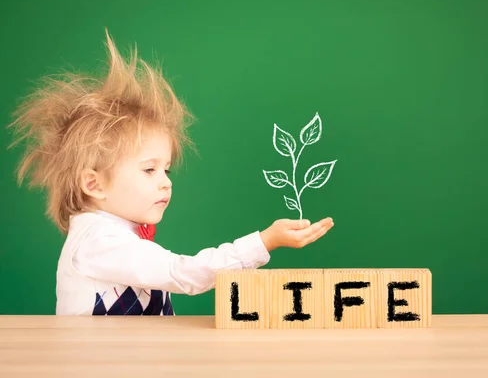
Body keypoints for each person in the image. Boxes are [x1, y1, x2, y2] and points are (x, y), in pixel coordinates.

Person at [7, 30, 334, 316]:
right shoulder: (99, 242)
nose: (166, 181)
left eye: (166, 169)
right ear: (94, 183)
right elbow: (182, 274)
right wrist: (264, 242)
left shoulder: (117, 235)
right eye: (149, 170)